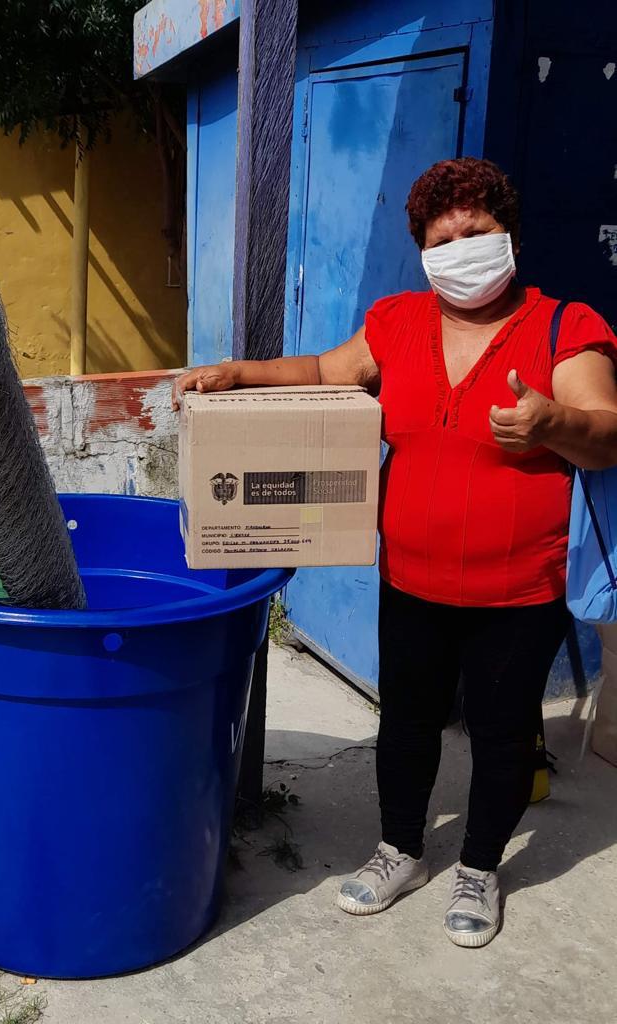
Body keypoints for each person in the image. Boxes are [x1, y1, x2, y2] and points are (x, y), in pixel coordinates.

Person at [173, 157, 617, 948]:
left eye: (475, 230)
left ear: (506, 233)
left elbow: (607, 432)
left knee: (504, 733)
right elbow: (320, 373)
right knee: (407, 722)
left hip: (519, 589)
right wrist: (237, 374)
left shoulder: (564, 326)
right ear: (421, 249)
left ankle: (480, 867)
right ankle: (400, 850)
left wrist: (551, 423)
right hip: (410, 577)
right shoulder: (397, 323)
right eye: (441, 238)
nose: (460, 247)